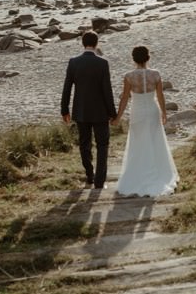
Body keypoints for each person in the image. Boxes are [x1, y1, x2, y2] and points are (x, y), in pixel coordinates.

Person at [113, 46, 178, 197]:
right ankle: (159, 174)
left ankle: (138, 175)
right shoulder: (155, 74)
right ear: (148, 58)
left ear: (133, 59)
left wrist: (118, 117)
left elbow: (124, 98)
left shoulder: (129, 76)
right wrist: (164, 112)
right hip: (152, 110)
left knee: (138, 143)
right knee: (156, 142)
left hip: (137, 112)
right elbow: (160, 96)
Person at [61, 31, 116, 189]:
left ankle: (90, 175)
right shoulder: (102, 63)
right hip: (100, 111)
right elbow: (107, 90)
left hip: (81, 110)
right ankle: (100, 181)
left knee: (84, 144)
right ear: (97, 43)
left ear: (83, 43)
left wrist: (64, 110)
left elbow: (67, 88)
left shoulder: (73, 62)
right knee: (102, 145)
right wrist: (112, 113)